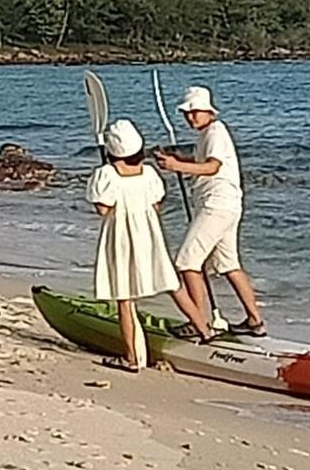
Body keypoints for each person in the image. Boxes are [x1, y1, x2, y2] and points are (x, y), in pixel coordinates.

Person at [87, 118, 218, 373]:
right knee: (172, 284)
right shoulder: (149, 173)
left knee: (125, 297)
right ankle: (205, 330)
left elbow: (103, 209)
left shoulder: (105, 175)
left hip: (121, 238)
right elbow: (157, 204)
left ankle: (134, 358)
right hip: (150, 235)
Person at [156, 85, 265, 337]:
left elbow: (213, 167)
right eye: (187, 113)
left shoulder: (215, 132)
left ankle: (199, 323)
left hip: (216, 204)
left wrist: (177, 166)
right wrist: (178, 161)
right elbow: (203, 162)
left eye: (195, 112)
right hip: (226, 205)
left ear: (209, 111)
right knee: (228, 264)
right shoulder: (207, 134)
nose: (190, 117)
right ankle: (255, 321)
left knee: (186, 262)